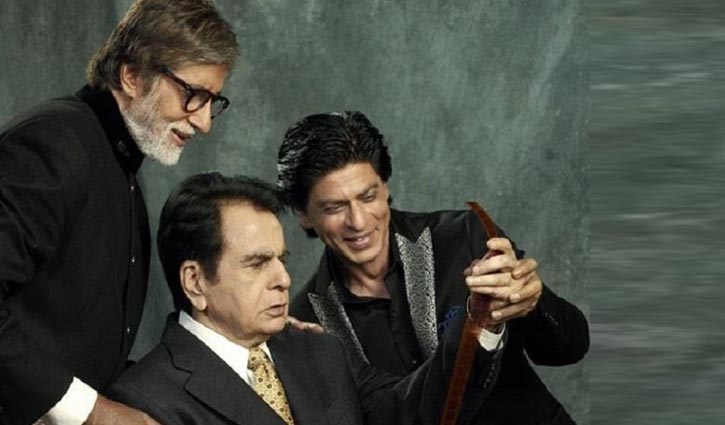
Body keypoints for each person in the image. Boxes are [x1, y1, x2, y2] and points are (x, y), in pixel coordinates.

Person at [0, 1, 238, 424]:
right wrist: (94, 412)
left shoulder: (117, 165)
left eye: (212, 102)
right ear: (131, 75)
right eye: (193, 95)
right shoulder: (54, 143)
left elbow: (80, 345)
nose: (204, 122)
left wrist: (257, 340)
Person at [108, 172, 503, 424]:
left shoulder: (320, 350)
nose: (283, 279)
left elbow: (418, 410)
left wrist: (481, 320)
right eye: (257, 264)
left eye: (281, 260)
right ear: (195, 282)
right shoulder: (143, 402)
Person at [276, 111, 590, 424]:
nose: (358, 222)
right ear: (302, 214)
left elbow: (569, 349)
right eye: (334, 207)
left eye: (368, 197)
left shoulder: (464, 235)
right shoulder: (307, 321)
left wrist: (534, 304)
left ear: (385, 188)